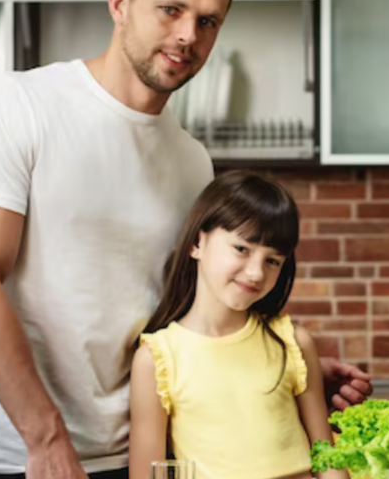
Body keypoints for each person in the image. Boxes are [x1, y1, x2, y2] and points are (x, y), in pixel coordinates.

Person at [0, 0, 370, 479]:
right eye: (171, 9)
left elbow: (183, 309)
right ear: (119, 3)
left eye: (208, 21)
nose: (188, 35)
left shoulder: (192, 161)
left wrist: (270, 365)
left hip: (146, 453)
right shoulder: (19, 107)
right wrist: (44, 437)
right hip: (25, 456)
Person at [128, 171, 346, 479]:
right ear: (196, 243)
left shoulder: (293, 342)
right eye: (241, 249)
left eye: (273, 261)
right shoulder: (157, 358)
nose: (256, 273)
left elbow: (329, 462)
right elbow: (148, 475)